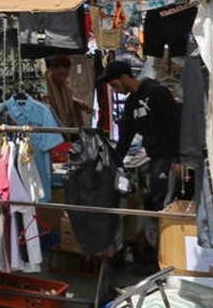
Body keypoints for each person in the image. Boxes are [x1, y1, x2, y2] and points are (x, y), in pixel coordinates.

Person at [104, 57, 181, 215]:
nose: (115, 90)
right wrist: (114, 164)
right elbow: (125, 137)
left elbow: (175, 126)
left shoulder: (157, 92)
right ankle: (156, 237)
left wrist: (179, 160)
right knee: (156, 202)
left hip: (169, 158)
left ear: (125, 78)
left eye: (115, 85)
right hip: (155, 159)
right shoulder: (131, 103)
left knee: (165, 205)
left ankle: (165, 238)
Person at [45, 54, 85, 127]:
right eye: (60, 75)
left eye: (66, 75)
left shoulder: (67, 86)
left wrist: (77, 104)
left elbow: (70, 103)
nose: (63, 79)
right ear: (53, 69)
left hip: (66, 131)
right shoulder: (44, 85)